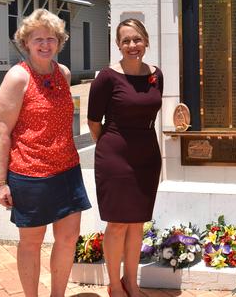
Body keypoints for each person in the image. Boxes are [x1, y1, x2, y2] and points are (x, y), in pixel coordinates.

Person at [0, 9, 92, 297]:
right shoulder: (17, 78)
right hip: (30, 174)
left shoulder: (63, 74)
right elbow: (2, 132)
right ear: (26, 42)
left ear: (59, 42)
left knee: (67, 238)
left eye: (51, 38)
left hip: (67, 171)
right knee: (31, 242)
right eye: (38, 39)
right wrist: (1, 183)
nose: (45, 44)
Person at [87, 19, 163, 297]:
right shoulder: (107, 78)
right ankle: (115, 284)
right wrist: (111, 146)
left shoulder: (156, 74)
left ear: (146, 41)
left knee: (136, 223)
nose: (133, 46)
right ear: (118, 45)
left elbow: (151, 112)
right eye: (126, 41)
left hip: (147, 156)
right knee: (117, 223)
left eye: (137, 39)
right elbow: (94, 121)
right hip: (115, 157)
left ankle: (132, 281)